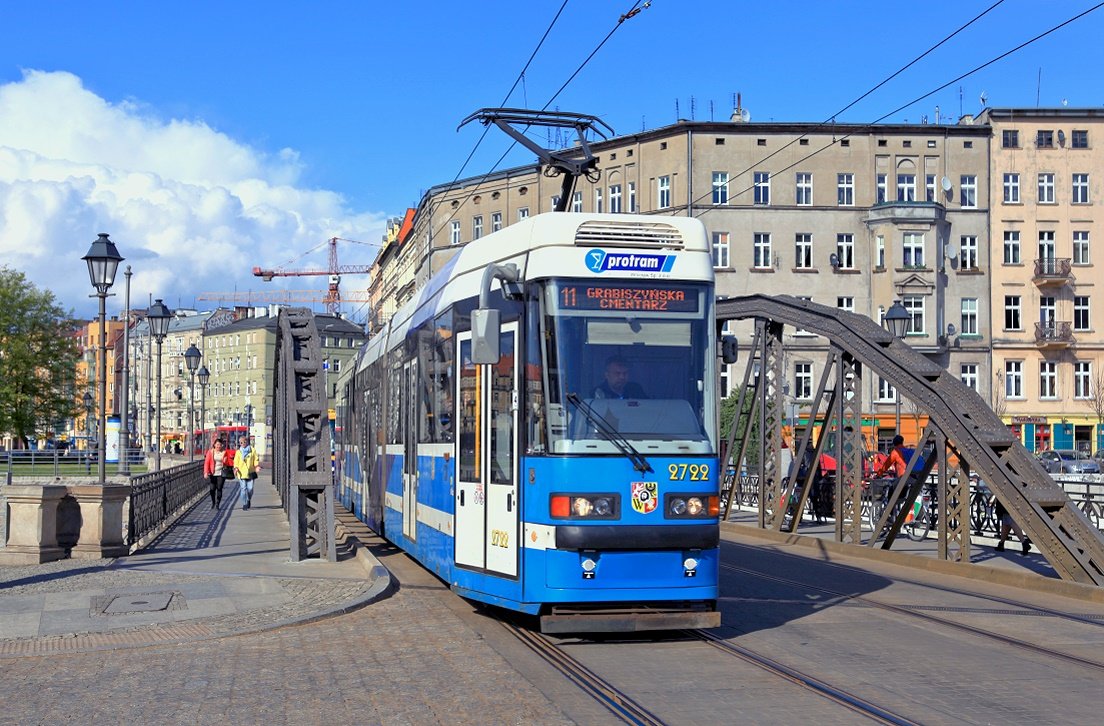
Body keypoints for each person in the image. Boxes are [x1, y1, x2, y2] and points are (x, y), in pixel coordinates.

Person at [991, 489, 1031, 555]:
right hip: (1014, 497)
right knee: (1006, 522)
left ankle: (1024, 543)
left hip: (1007, 497)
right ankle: (1001, 543)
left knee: (1010, 521)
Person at [234, 434, 260, 510]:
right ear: (239, 443)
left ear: (247, 442)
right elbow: (236, 461)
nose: (243, 443)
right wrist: (236, 468)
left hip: (250, 472)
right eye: (241, 442)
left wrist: (256, 466)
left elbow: (255, 459)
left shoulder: (252, 450)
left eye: (244, 441)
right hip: (241, 473)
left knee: (250, 489)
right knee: (243, 489)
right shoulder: (238, 452)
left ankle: (248, 499)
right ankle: (244, 503)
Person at [202, 438, 228, 509]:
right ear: (214, 445)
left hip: (221, 473)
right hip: (212, 473)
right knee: (212, 489)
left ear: (222, 445)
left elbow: (227, 463)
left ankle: (217, 504)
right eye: (217, 444)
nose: (218, 446)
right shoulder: (210, 452)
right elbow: (206, 463)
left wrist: (225, 461)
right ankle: (213, 501)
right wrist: (206, 472)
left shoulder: (224, 452)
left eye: (220, 445)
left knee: (219, 488)